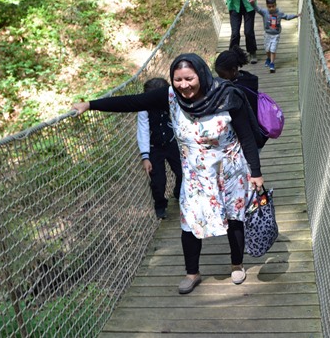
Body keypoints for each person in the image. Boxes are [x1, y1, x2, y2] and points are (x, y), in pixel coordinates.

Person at [72, 54, 264, 295]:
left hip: (230, 169)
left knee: (234, 217)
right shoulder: (171, 96)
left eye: (189, 79)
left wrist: (256, 172)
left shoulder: (227, 95)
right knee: (190, 222)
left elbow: (246, 136)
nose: (184, 85)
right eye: (178, 79)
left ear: (201, 75)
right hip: (195, 175)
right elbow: (134, 102)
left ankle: (236, 264)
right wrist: (90, 105)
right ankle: (192, 273)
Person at [137, 78, 182, 220]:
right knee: (158, 181)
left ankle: (179, 191)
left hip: (172, 142)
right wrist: (145, 156)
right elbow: (143, 130)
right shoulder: (144, 108)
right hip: (154, 147)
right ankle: (160, 205)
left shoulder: (172, 102)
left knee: (183, 171)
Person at [215, 46, 267, 149]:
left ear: (233, 70)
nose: (221, 79)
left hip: (248, 138)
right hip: (254, 132)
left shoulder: (237, 91)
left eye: (223, 76)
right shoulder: (247, 79)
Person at [255, 0, 300, 73]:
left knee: (273, 49)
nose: (271, 8)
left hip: (276, 35)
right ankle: (268, 58)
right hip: (267, 34)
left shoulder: (279, 13)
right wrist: (252, 2)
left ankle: (272, 64)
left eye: (273, 6)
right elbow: (257, 9)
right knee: (267, 49)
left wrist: (296, 15)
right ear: (267, 6)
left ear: (276, 5)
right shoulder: (265, 12)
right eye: (269, 7)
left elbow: (287, 17)